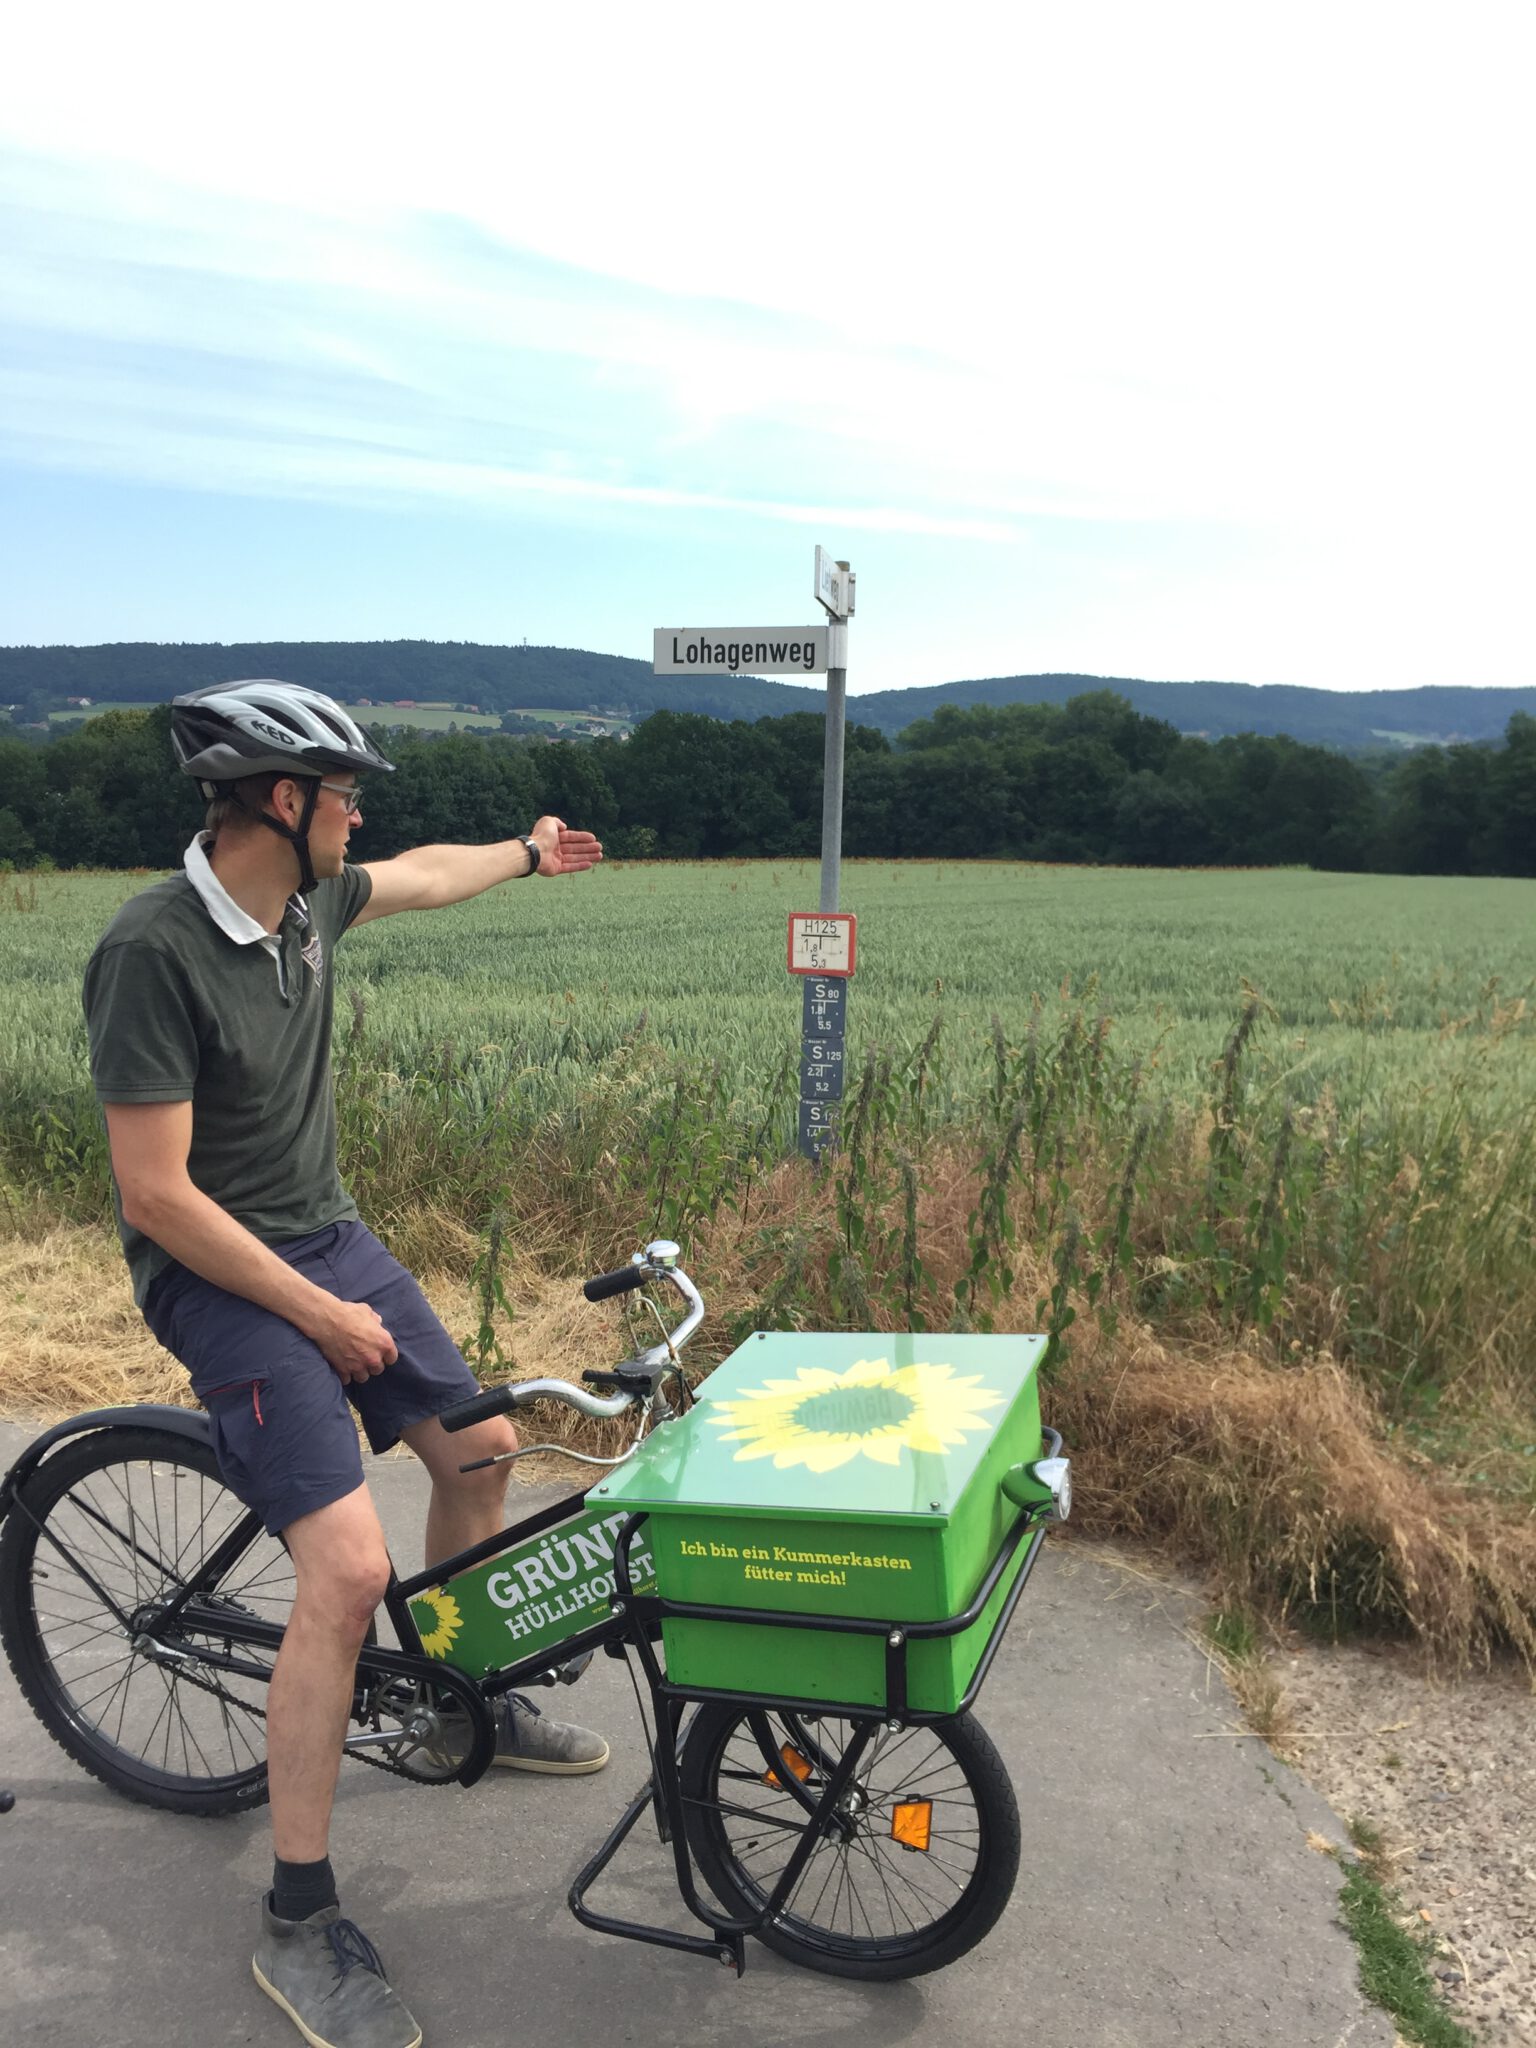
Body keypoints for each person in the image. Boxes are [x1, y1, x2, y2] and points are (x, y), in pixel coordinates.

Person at [83, 680, 607, 2048]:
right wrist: (315, 1318)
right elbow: (156, 1195)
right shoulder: (154, 949)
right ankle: (299, 1917)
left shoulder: (307, 904)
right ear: (277, 800)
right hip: (223, 1275)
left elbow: (426, 877)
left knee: (482, 1448)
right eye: (343, 791)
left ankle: (455, 1705)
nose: (362, 812)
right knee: (350, 1567)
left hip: (327, 1233)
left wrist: (528, 854)